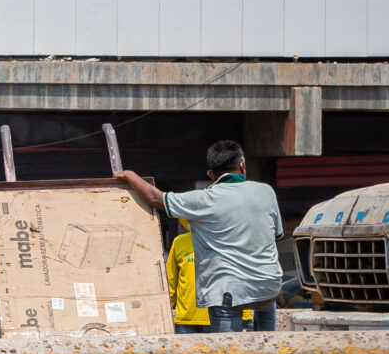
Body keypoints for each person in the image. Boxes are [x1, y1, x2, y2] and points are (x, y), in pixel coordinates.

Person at [120, 141, 283, 334]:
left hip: (227, 291)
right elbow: (276, 235)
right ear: (242, 164)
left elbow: (156, 198)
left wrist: (129, 175)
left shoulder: (203, 199)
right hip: (268, 286)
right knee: (268, 345)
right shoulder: (266, 192)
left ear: (211, 175)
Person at [165, 230, 210, 335]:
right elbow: (170, 279)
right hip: (185, 320)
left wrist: (246, 314)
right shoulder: (180, 241)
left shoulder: (222, 240)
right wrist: (165, 310)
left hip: (217, 318)